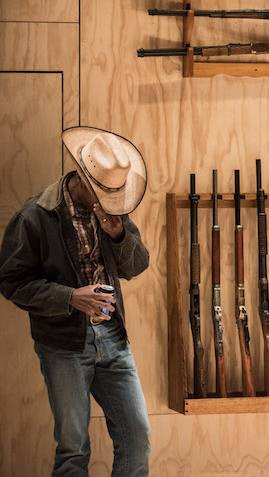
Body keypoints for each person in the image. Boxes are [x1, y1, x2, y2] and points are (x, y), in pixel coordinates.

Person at [0, 127, 151, 476]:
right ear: (83, 180)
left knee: (137, 437)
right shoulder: (35, 215)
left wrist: (118, 234)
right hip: (63, 345)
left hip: (114, 339)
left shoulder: (113, 209)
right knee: (73, 450)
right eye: (103, 192)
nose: (111, 200)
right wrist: (70, 297)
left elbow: (138, 265)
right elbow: (10, 281)